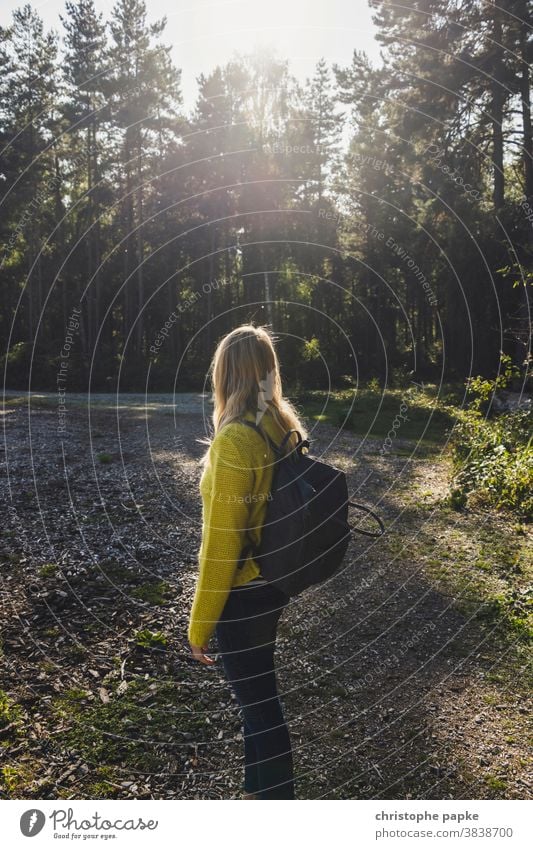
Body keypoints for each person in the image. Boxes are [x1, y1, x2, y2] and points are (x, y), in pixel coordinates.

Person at [188, 323, 309, 800]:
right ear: (267, 374)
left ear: (225, 375)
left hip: (244, 595)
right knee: (257, 704)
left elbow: (222, 547)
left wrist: (199, 627)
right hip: (274, 583)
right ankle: (257, 798)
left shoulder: (235, 440)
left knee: (259, 708)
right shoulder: (283, 426)